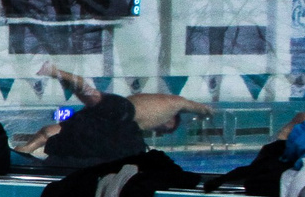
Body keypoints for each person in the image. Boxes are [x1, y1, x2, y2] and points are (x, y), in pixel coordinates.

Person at [15, 63, 211, 160]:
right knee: (90, 94)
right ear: (171, 120)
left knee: (53, 131)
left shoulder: (156, 109)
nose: (162, 130)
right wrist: (207, 112)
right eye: (167, 129)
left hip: (112, 122)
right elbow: (200, 107)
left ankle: (23, 150)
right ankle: (55, 71)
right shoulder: (173, 103)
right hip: (122, 111)